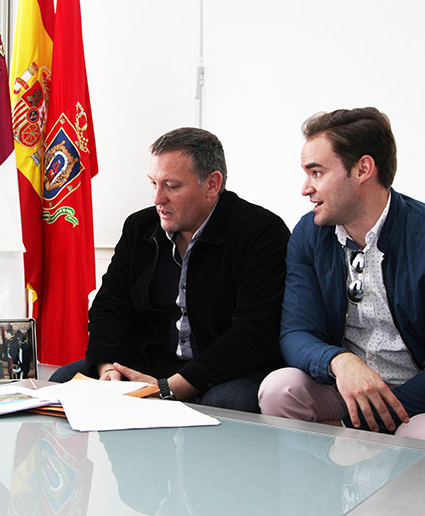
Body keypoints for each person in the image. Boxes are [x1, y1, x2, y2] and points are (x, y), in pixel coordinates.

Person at [259, 107, 425, 445]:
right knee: (279, 389)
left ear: (363, 169)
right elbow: (296, 333)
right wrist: (340, 361)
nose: (306, 189)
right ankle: (308, 496)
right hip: (345, 385)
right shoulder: (309, 234)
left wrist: (355, 430)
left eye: (317, 172)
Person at [50, 127, 290, 412]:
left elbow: (254, 332)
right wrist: (108, 369)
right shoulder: (139, 227)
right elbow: (109, 307)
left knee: (226, 402)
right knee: (62, 379)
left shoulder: (261, 232)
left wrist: (169, 388)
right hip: (150, 363)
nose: (157, 199)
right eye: (153, 183)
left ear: (212, 185)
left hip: (227, 370)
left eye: (171, 186)